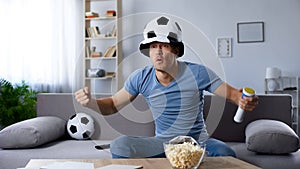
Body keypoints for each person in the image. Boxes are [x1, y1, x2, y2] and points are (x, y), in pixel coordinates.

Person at [75, 16, 258, 158]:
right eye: (154, 46)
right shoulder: (140, 78)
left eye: (164, 46)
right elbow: (113, 104)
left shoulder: (198, 73)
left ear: (176, 50)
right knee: (119, 145)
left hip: (197, 143)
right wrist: (90, 102)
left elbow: (235, 95)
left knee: (226, 154)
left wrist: (244, 100)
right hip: (163, 144)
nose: (158, 52)